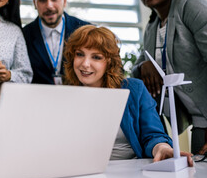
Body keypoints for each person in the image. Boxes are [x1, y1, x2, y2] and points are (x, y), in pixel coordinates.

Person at [64, 25, 193, 165]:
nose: (85, 64)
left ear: (109, 62)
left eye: (96, 57)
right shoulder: (65, 97)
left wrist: (162, 148)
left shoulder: (133, 90)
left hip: (129, 171)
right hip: (83, 172)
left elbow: (153, 135)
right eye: (79, 54)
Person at [131, 0, 207, 155]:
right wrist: (143, 66)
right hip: (199, 121)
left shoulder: (189, 4)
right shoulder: (152, 27)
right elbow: (136, 69)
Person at [23, 0, 91, 85]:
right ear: (35, 4)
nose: (49, 5)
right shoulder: (24, 35)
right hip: (39, 100)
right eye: (42, 0)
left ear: (64, 1)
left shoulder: (85, 30)